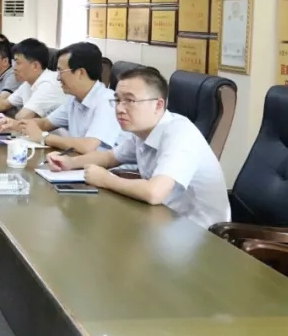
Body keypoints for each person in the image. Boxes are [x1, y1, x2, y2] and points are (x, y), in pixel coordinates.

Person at [46, 67, 230, 228]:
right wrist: (70, 162)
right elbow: (110, 157)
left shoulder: (180, 134)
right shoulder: (143, 131)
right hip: (161, 218)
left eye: (130, 101)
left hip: (198, 232)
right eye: (117, 100)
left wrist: (106, 179)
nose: (120, 109)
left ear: (158, 105)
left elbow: (154, 192)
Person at [0, 42, 120, 155]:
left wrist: (44, 137)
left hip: (110, 171)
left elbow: (89, 146)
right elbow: (46, 123)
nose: (58, 78)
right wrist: (16, 125)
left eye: (61, 72)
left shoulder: (107, 101)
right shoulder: (74, 99)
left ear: (80, 73)